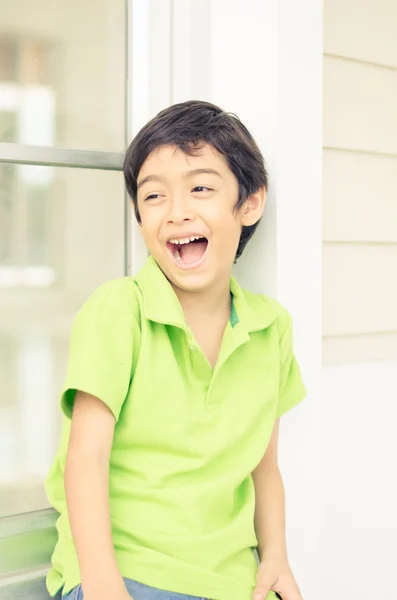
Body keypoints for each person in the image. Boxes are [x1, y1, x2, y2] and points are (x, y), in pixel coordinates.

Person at [45, 100, 307, 600]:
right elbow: (86, 457)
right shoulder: (119, 309)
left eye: (201, 188)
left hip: (231, 578)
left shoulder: (271, 327)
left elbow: (264, 467)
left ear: (250, 202)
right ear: (138, 213)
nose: (177, 211)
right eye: (154, 195)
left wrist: (276, 559)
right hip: (126, 571)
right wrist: (103, 586)